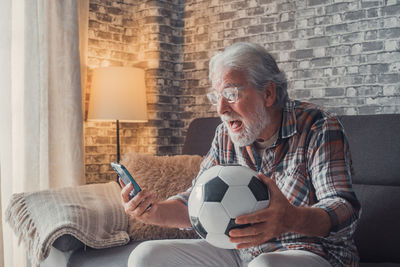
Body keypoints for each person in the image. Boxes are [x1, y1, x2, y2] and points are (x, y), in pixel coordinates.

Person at [120, 42, 361, 267]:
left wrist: (290, 218)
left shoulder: (319, 126)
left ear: (268, 94)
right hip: (240, 250)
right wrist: (154, 211)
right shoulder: (225, 134)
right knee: (146, 256)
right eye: (217, 97)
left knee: (264, 265)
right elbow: (196, 201)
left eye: (231, 94)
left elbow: (343, 207)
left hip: (310, 251)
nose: (221, 109)